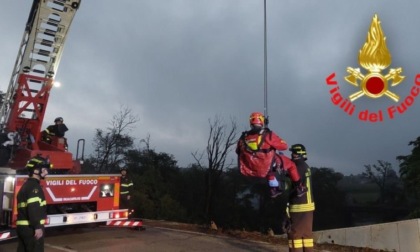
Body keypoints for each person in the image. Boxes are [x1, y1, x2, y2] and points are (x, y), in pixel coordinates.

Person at [236, 112, 307, 198]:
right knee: (291, 165)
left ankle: (274, 188)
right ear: (262, 121)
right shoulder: (267, 135)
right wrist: (270, 136)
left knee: (270, 168)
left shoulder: (243, 137)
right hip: (266, 166)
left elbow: (238, 151)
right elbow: (284, 146)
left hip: (250, 169)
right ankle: (299, 187)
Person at [282, 144, 315, 252]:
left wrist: (283, 174)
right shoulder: (305, 166)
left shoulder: (298, 167)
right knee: (306, 236)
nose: (292, 155)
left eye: (294, 153)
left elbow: (290, 186)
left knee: (294, 236)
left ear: (299, 154)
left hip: (298, 206)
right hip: (308, 207)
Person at [16, 155, 51, 252]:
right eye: (44, 170)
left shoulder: (26, 185)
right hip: (31, 229)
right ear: (36, 171)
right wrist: (37, 227)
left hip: (23, 228)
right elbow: (34, 208)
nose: (46, 172)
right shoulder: (34, 187)